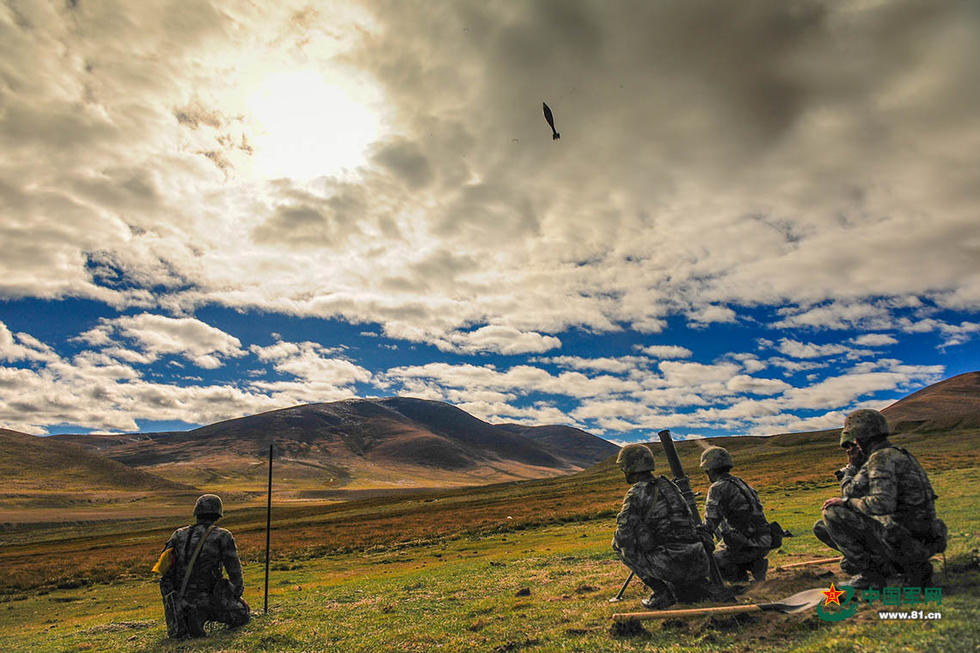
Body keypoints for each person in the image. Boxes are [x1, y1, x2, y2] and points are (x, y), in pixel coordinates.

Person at [817, 409, 947, 589]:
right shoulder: (895, 454)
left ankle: (871, 575)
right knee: (822, 527)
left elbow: (878, 504)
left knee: (832, 512)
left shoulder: (880, 458)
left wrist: (848, 499)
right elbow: (852, 490)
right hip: (922, 537)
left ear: (860, 437)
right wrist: (854, 469)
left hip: (903, 539)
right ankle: (896, 566)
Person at [611, 443, 714, 609]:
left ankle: (661, 593)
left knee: (618, 544)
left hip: (672, 565)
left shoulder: (637, 493)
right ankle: (693, 586)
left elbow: (624, 535)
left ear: (629, 467)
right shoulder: (670, 486)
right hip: (699, 561)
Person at [157, 494, 250, 637]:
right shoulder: (223, 536)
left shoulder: (177, 535)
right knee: (243, 614)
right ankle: (199, 616)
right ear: (218, 514)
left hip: (180, 602)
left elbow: (164, 571)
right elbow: (235, 574)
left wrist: (174, 601)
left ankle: (186, 620)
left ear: (197, 512)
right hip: (208, 598)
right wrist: (235, 597)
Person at [700, 446, 772, 582]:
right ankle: (755, 565)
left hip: (747, 546)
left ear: (709, 470)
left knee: (707, 563)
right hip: (765, 541)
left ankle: (739, 578)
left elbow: (710, 525)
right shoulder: (741, 482)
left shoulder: (717, 487)